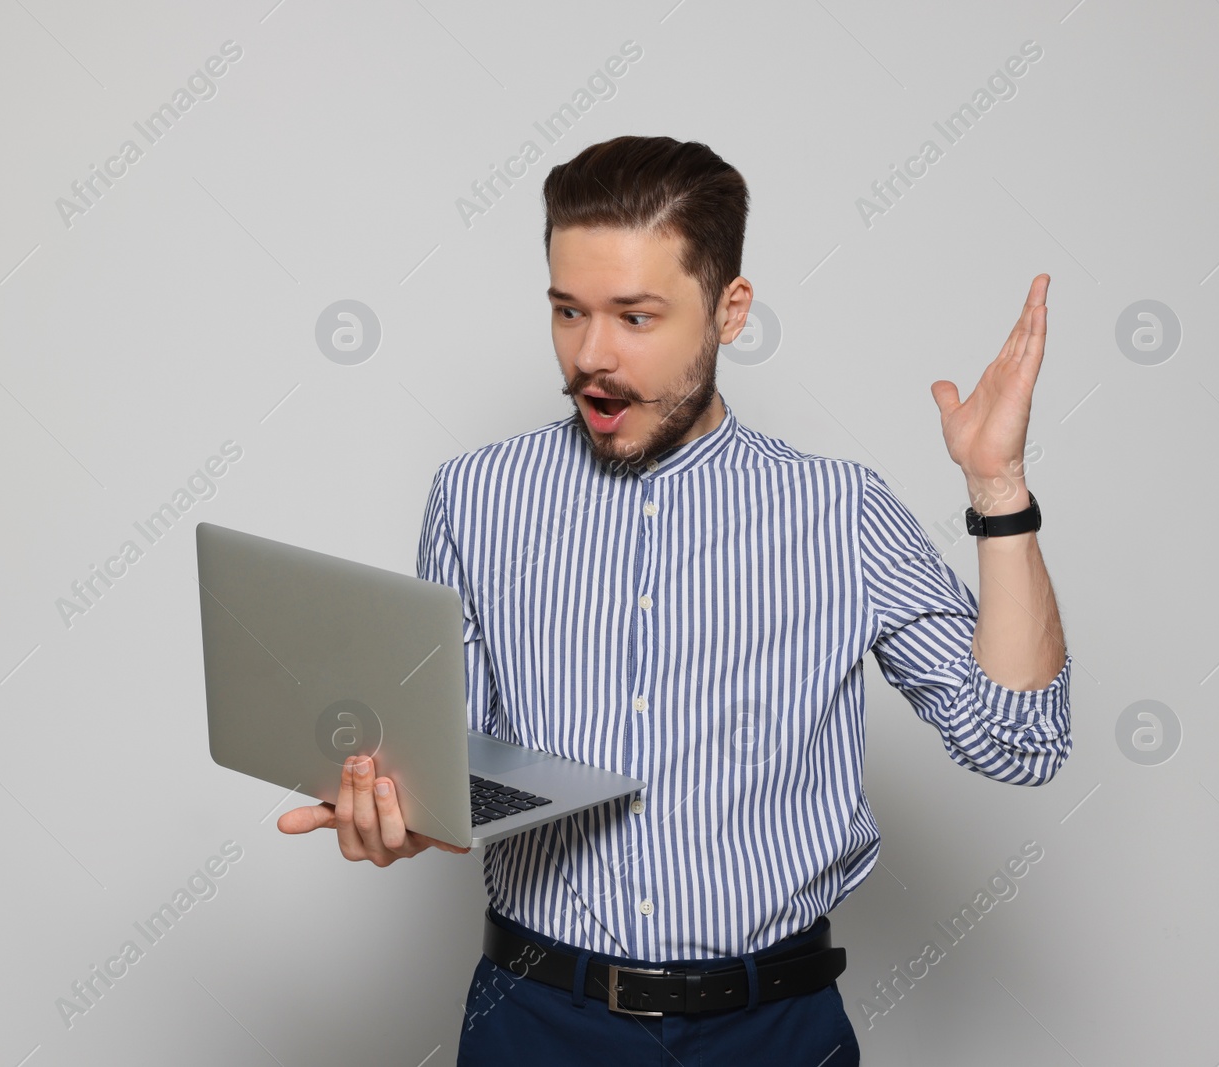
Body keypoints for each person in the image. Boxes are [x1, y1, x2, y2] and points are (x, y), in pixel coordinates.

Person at [279, 134, 1072, 1064]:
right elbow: (459, 769)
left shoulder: (838, 511)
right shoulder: (476, 496)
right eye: (568, 311)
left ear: (729, 310)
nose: (593, 356)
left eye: (636, 317)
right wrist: (395, 817)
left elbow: (1020, 741)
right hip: (537, 1022)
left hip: (773, 1028)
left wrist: (999, 488)